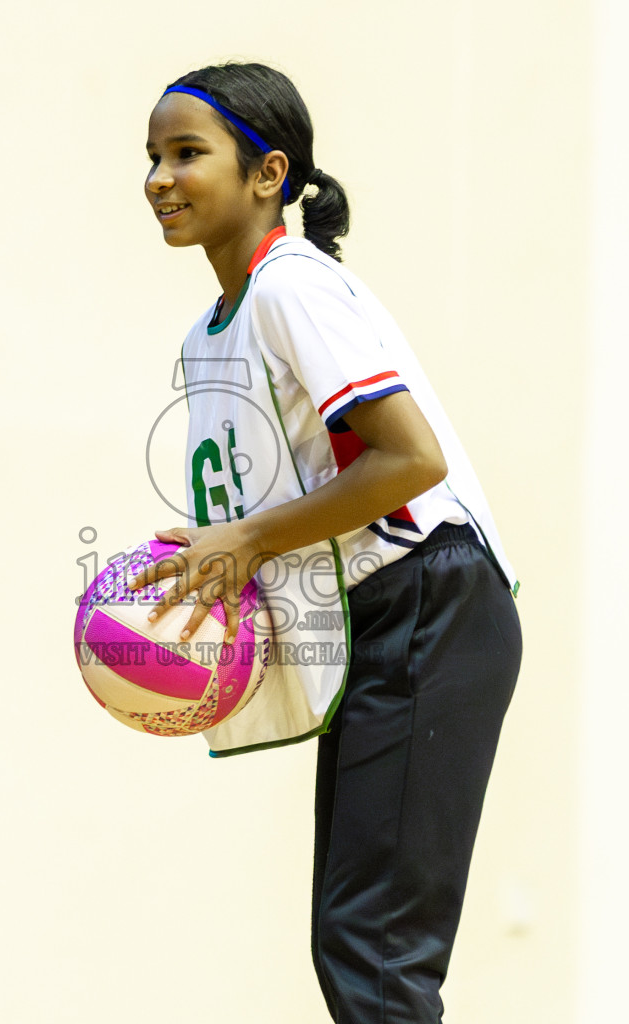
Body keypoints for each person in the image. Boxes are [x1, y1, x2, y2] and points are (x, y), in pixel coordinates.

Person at [130, 63, 524, 1022]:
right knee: (353, 940)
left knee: (374, 948)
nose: (159, 179)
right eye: (151, 158)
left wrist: (251, 540)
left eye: (188, 153)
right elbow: (285, 510)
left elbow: (409, 460)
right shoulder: (208, 333)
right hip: (376, 613)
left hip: (432, 595)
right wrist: (217, 560)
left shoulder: (292, 286)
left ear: (268, 174)